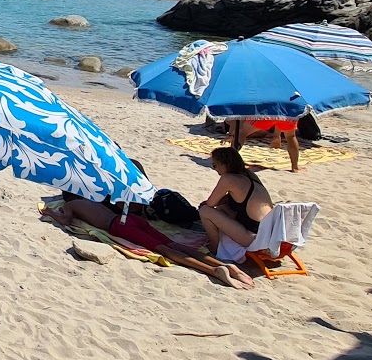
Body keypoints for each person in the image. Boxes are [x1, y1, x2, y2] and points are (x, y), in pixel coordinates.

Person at [44, 190, 253, 290]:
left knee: (164, 249)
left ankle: (212, 271)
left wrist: (51, 213)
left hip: (119, 226)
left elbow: (65, 220)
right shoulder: (93, 198)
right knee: (174, 244)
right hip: (129, 218)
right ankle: (226, 265)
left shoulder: (72, 204)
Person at [200, 146, 275, 263]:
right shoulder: (249, 175)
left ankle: (215, 248)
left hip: (255, 238)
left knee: (205, 211)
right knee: (222, 208)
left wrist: (206, 204)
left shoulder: (228, 179)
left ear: (225, 164)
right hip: (270, 233)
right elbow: (230, 200)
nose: (214, 169)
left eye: (215, 165)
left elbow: (210, 204)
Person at [229, 117, 301, 172]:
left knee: (242, 132)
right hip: (288, 110)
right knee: (291, 137)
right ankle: (295, 167)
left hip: (268, 109)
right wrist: (276, 135)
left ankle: (231, 163)